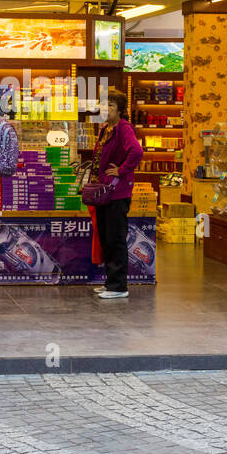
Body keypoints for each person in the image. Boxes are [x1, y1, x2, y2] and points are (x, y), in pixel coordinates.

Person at [92, 89, 142, 299]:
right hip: (104, 192)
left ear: (120, 110)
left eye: (111, 105)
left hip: (117, 193)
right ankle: (110, 282)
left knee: (116, 238)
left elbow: (137, 152)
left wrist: (121, 170)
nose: (106, 109)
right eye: (104, 105)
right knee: (106, 237)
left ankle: (119, 286)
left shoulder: (124, 128)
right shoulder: (106, 129)